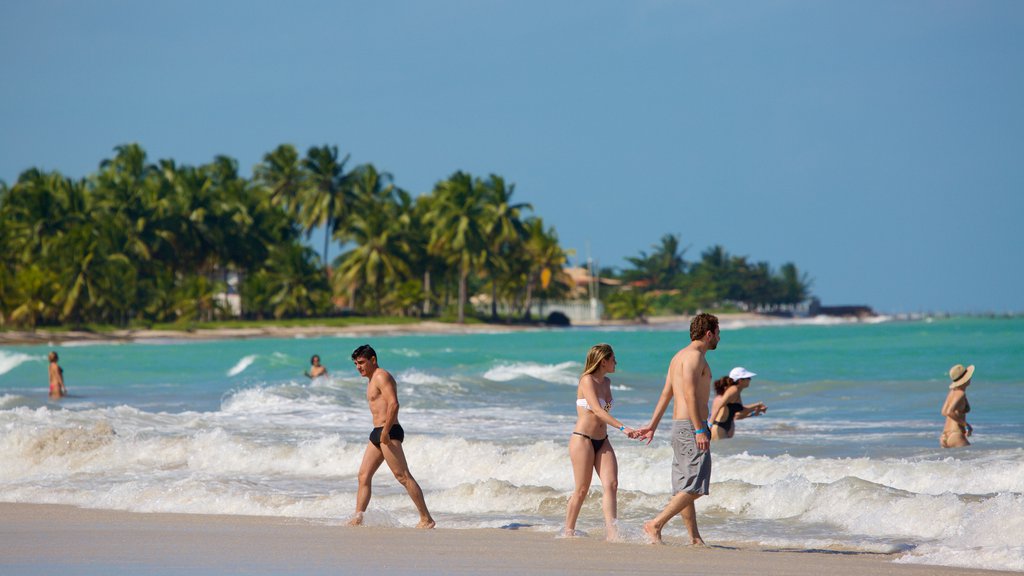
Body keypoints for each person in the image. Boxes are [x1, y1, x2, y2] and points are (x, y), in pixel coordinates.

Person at [636, 313, 720, 546]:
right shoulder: (695, 357)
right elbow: (690, 395)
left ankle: (695, 538)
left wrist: (652, 425)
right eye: (718, 333)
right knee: (696, 486)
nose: (719, 339)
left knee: (684, 486)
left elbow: (667, 393)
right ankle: (656, 523)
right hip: (691, 426)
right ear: (709, 333)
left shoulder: (679, 356)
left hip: (678, 426)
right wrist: (699, 429)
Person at [348, 344, 435, 529]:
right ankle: (358, 518)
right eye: (356, 364)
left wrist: (386, 432)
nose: (358, 367)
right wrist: (381, 433)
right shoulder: (371, 379)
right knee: (363, 476)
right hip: (377, 432)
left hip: (389, 430)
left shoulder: (381, 376)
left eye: (362, 362)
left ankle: (426, 518)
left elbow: (394, 405)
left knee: (403, 476)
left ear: (373, 360)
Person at [563, 344, 638, 541]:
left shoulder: (607, 382)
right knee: (581, 490)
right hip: (583, 440)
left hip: (602, 440)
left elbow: (605, 409)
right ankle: (568, 530)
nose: (616, 363)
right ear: (603, 361)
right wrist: (623, 428)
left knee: (611, 484)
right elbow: (597, 410)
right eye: (613, 359)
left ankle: (612, 532)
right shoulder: (586, 380)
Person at [709, 367, 766, 441]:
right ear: (740, 380)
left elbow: (739, 413)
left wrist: (755, 409)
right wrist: (709, 425)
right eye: (748, 378)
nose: (750, 380)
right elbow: (718, 406)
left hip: (725, 427)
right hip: (719, 427)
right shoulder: (734, 390)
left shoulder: (737, 391)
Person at [940, 363, 974, 448]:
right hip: (955, 434)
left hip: (945, 436)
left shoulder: (952, 393)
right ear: (965, 379)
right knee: (971, 459)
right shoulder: (960, 394)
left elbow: (943, 412)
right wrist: (966, 425)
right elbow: (949, 412)